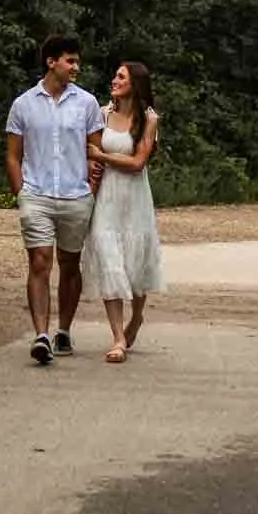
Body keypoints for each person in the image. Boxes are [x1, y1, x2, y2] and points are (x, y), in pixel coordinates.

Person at [5, 35, 105, 366]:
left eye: (77, 61)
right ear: (51, 62)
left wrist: (91, 188)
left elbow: (95, 152)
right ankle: (41, 335)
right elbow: (13, 155)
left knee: (70, 264)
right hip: (36, 194)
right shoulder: (23, 104)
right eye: (70, 61)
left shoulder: (87, 103)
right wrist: (21, 192)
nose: (76, 67)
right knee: (39, 261)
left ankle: (64, 329)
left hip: (76, 195)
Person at [81, 61, 163, 363]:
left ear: (135, 84)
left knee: (135, 262)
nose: (114, 80)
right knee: (108, 259)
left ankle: (137, 316)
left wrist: (101, 155)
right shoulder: (103, 114)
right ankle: (117, 338)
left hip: (134, 197)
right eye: (115, 75)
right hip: (106, 197)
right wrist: (92, 164)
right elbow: (89, 154)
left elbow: (138, 162)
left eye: (121, 76)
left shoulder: (148, 119)